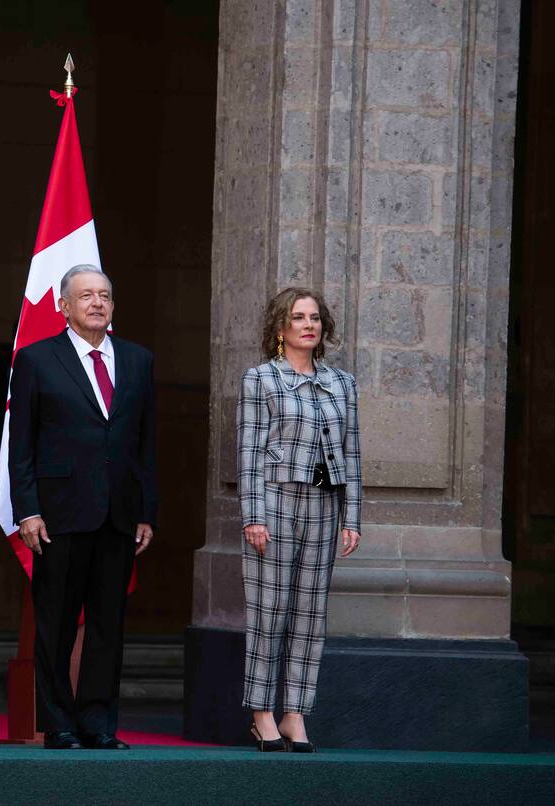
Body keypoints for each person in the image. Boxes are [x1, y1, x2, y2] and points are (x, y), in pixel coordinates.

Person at [8, 264, 158, 750]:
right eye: (86, 295)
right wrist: (27, 509)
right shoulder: (36, 359)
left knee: (107, 627)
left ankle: (98, 723)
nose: (97, 303)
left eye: (105, 295)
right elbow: (22, 443)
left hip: (118, 514)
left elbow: (145, 443)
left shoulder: (138, 361)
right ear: (63, 306)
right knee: (55, 623)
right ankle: (59, 724)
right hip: (58, 514)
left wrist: (146, 510)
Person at [236, 287, 362, 752]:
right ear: (280, 328)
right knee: (269, 613)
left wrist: (353, 517)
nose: (308, 324)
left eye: (315, 318)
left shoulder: (342, 384)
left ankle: (295, 714)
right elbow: (248, 451)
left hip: (324, 506)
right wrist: (253, 515)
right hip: (275, 504)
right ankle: (262, 713)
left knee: (310, 616)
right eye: (298, 317)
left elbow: (352, 453)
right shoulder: (260, 379)